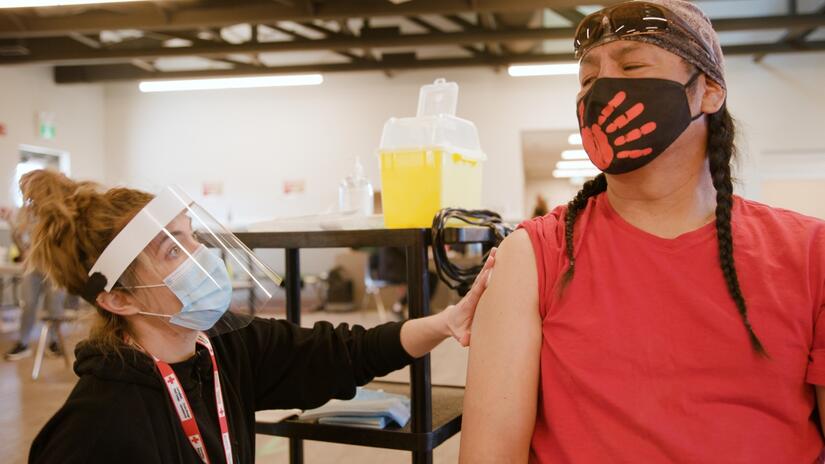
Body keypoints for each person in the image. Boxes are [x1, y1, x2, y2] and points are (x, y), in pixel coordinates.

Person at [459, 1, 825, 462]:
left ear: (709, 91)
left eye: (632, 65)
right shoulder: (533, 256)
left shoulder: (811, 254)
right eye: (588, 79)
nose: (602, 91)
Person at [23, 169, 494, 463]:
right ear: (118, 300)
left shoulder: (222, 347)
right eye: (172, 250)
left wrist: (445, 323)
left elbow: (342, 354)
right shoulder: (96, 428)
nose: (200, 255)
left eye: (192, 237)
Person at [0, 206, 66, 361]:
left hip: (54, 267)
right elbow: (20, 239)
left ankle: (54, 342)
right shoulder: (25, 211)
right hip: (32, 267)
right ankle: (23, 343)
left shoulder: (57, 210)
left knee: (54, 307)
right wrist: (10, 221)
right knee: (28, 304)